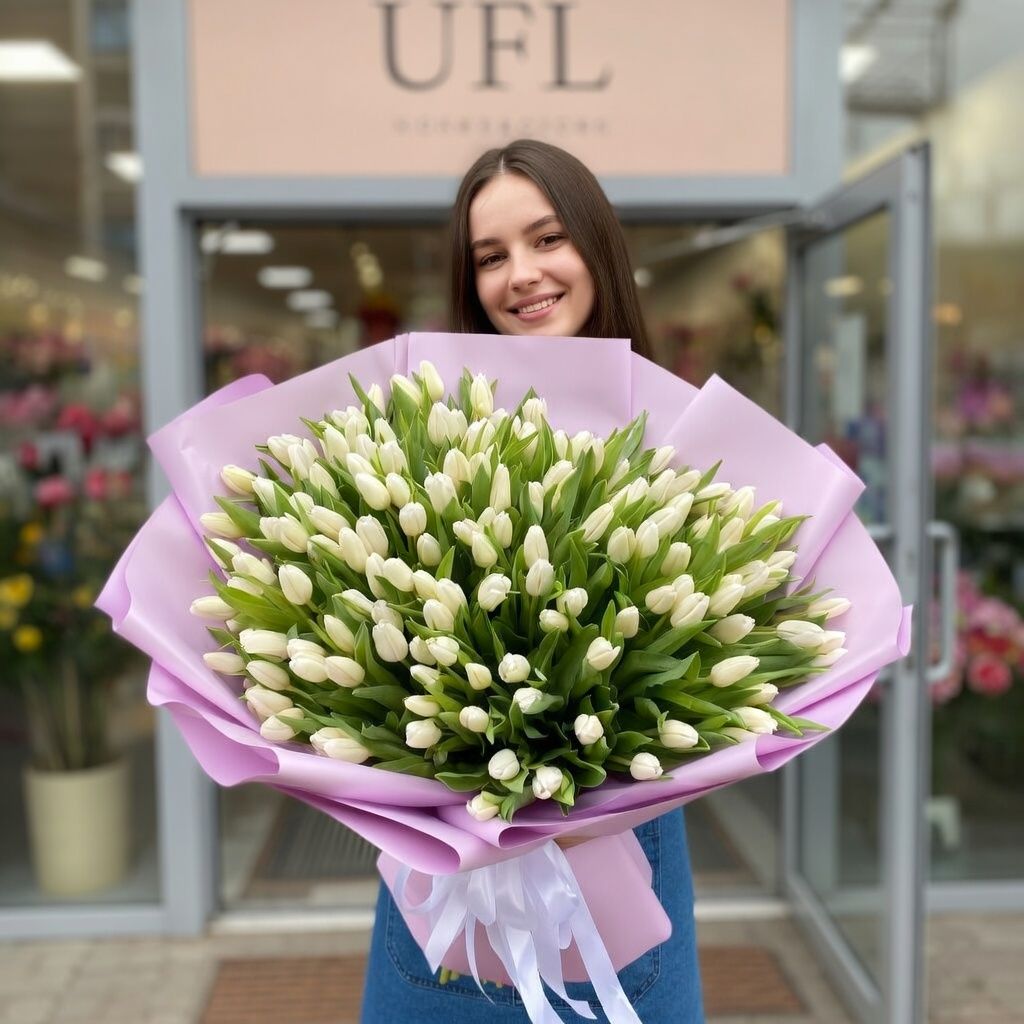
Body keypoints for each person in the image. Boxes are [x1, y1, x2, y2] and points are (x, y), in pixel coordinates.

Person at [360, 139, 704, 1023]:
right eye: (490, 256)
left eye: (548, 239)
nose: (521, 274)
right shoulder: (423, 431)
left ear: (596, 243)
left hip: (620, 852)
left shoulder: (680, 437)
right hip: (449, 867)